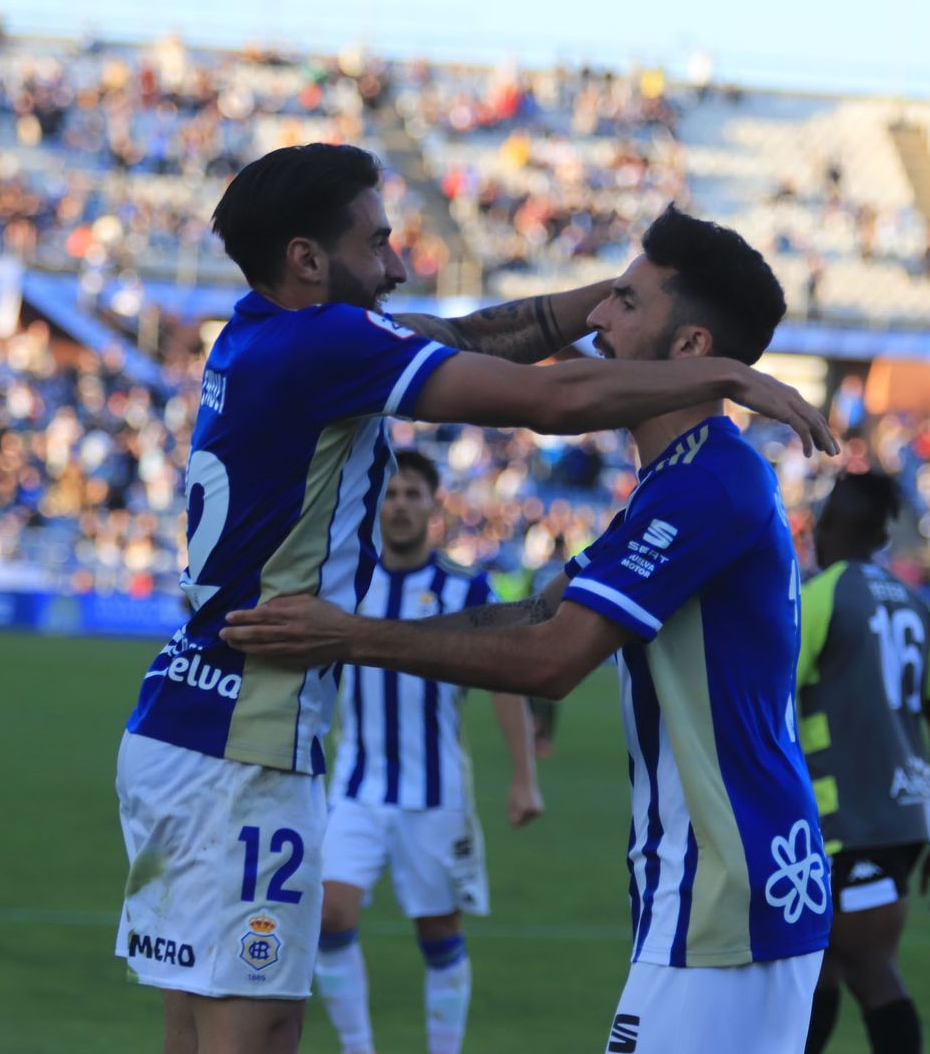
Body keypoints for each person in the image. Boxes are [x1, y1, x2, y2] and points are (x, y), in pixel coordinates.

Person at [113, 146, 835, 1054]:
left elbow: (493, 339)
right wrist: (724, 374)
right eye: (379, 244)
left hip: (191, 720)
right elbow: (549, 394)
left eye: (626, 298)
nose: (400, 265)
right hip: (243, 736)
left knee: (209, 1028)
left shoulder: (267, 335)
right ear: (307, 259)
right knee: (250, 1038)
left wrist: (357, 634)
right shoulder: (332, 343)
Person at [316, 450, 543, 1054]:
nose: (399, 506)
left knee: (439, 932)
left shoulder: (464, 589)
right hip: (355, 786)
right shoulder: (345, 582)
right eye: (390, 495)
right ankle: (358, 1047)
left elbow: (503, 681)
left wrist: (524, 778)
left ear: (433, 507)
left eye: (412, 495)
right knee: (329, 915)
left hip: (435, 792)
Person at [795, 471, 930, 1054]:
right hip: (902, 817)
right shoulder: (916, 607)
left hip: (848, 822)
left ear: (830, 527)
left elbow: (768, 700)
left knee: (868, 969)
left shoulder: (821, 596)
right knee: (818, 969)